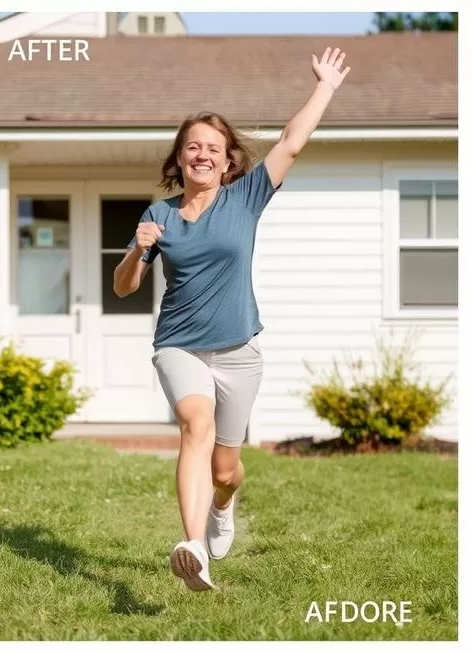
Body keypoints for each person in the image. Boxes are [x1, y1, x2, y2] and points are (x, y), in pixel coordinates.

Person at [113, 48, 351, 591]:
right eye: (192, 146)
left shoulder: (245, 198)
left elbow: (292, 141)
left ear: (227, 162)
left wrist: (326, 88)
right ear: (180, 157)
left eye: (213, 149)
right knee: (195, 427)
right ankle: (193, 547)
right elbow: (125, 288)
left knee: (225, 469)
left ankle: (224, 505)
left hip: (239, 351)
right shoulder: (159, 215)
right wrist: (135, 252)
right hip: (179, 345)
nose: (202, 155)